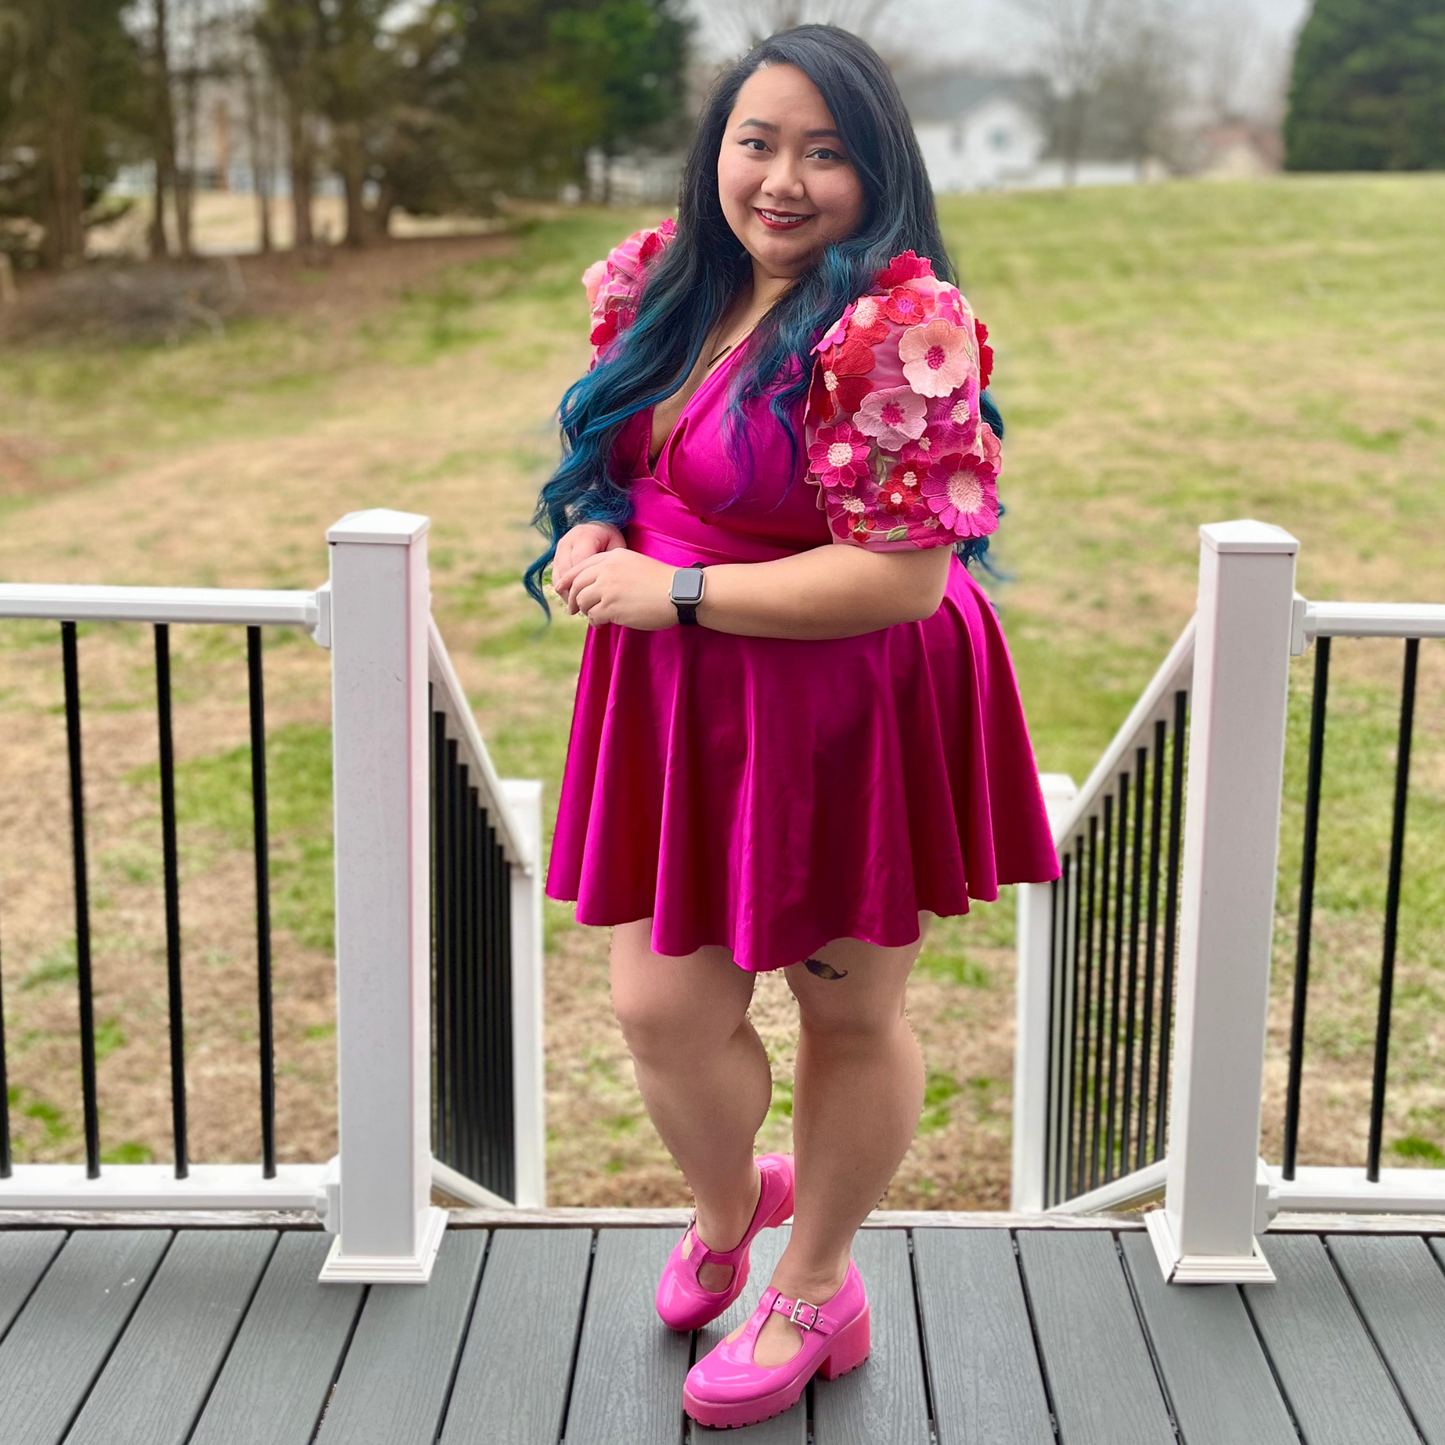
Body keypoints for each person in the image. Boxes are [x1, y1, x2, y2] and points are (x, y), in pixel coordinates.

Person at [525, 23, 1059, 1431]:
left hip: (844, 701)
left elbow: (905, 575)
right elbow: (610, 455)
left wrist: (676, 589)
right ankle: (729, 1204)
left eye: (827, 152)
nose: (782, 179)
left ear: (876, 174)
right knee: (659, 1010)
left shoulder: (893, 330)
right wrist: (589, 526)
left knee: (846, 1009)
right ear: (715, 153)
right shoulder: (664, 284)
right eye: (757, 141)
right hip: (680, 697)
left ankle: (816, 1284)